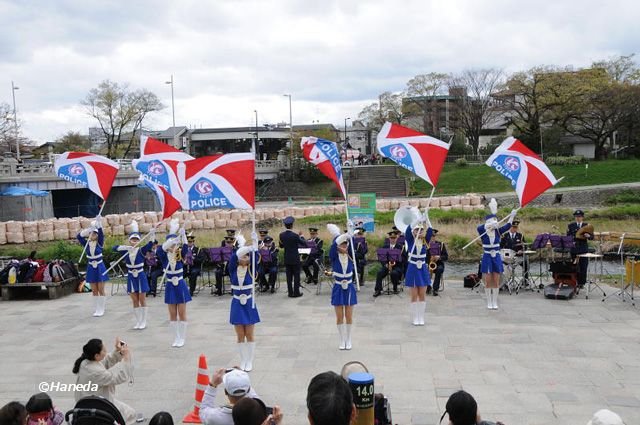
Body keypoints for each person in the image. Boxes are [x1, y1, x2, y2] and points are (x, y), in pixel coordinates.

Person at [72, 338, 136, 425]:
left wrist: (119, 352)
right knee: (131, 414)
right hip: (99, 406)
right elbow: (120, 377)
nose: (106, 352)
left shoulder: (86, 361)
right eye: (104, 350)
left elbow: (105, 360)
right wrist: (126, 358)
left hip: (88, 402)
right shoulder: (96, 372)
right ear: (96, 355)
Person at [112, 221, 154, 330]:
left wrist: (152, 233)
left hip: (140, 275)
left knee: (142, 299)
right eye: (132, 239)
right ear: (130, 240)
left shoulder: (141, 250)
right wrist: (125, 247)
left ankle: (144, 321)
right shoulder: (126, 251)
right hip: (131, 276)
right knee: (134, 300)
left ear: (139, 241)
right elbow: (114, 248)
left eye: (136, 240)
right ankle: (138, 321)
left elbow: (150, 244)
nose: (134, 241)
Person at [477, 199, 517, 310]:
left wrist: (512, 216)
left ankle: (495, 301)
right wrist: (488, 226)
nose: (495, 222)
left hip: (496, 257)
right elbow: (479, 228)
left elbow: (508, 225)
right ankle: (488, 302)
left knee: (496, 279)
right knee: (488, 280)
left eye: (495, 220)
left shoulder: (498, 231)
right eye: (492, 221)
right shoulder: (483, 232)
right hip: (487, 256)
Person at [158, 219, 192, 347]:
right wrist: (171, 238)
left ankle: (182, 338)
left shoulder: (179, 254)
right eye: (171, 244)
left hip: (180, 284)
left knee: (182, 313)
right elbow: (161, 249)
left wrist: (183, 235)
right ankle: (176, 337)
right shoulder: (163, 255)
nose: (173, 246)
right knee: (172, 314)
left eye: (175, 244)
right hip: (170, 285)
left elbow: (185, 247)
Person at [229, 242, 260, 372]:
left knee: (249, 334)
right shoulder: (232, 269)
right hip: (237, 303)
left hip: (248, 303)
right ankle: (243, 360)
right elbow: (233, 257)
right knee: (240, 334)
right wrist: (245, 248)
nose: (245, 257)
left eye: (247, 256)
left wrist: (254, 245)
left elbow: (256, 256)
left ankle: (250, 361)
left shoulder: (252, 270)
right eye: (243, 255)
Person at [327, 225, 357, 350]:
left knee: (349, 316)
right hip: (338, 287)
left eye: (346, 245)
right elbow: (334, 245)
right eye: (342, 245)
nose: (344, 247)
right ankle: (342, 339)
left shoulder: (351, 255)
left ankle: (349, 338)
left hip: (349, 287)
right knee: (339, 316)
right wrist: (345, 235)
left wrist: (351, 232)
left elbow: (352, 241)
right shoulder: (334, 255)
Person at [404, 212, 433, 326]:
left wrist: (426, 219)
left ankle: (421, 317)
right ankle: (415, 317)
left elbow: (430, 229)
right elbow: (408, 229)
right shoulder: (410, 240)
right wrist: (417, 221)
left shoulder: (426, 240)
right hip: (413, 268)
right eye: (417, 230)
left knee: (422, 294)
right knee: (414, 295)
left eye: (421, 230)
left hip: (423, 268)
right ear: (413, 232)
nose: (419, 232)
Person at [77, 216, 108, 317]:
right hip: (91, 267)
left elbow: (101, 233)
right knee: (94, 290)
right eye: (91, 233)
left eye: (94, 233)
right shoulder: (86, 244)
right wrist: (88, 229)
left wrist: (98, 223)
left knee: (100, 289)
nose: (92, 234)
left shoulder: (100, 243)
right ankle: (97, 309)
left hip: (99, 266)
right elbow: (79, 236)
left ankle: (102, 309)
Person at [278, 216, 307, 298]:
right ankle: (296, 292)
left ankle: (290, 293)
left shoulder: (281, 235)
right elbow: (304, 243)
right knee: (296, 276)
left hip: (287, 258)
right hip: (295, 258)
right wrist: (301, 236)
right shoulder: (295, 235)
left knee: (289, 276)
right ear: (292, 225)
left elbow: (281, 246)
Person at [567, 209, 594, 288]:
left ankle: (581, 283)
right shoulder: (571, 225)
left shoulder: (587, 225)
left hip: (583, 248)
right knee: (574, 265)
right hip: (574, 248)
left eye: (579, 216)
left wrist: (588, 236)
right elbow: (568, 236)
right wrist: (571, 241)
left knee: (583, 266)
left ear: (582, 217)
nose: (577, 218)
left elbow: (592, 237)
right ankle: (574, 281)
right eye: (576, 217)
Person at [374, 231, 404, 296]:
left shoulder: (401, 247)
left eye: (394, 238)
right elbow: (382, 258)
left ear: (396, 238)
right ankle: (378, 290)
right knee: (379, 273)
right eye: (391, 238)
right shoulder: (385, 246)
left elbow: (403, 258)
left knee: (394, 273)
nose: (392, 239)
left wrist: (395, 263)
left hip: (397, 266)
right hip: (387, 266)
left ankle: (395, 288)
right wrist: (386, 264)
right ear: (389, 238)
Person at [429, 229, 449, 296]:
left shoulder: (441, 244)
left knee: (439, 270)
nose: (432, 237)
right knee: (423, 269)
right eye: (431, 236)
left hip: (438, 264)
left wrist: (439, 257)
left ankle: (435, 289)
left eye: (433, 236)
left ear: (435, 236)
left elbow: (446, 257)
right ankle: (427, 286)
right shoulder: (425, 245)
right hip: (428, 263)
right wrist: (429, 258)